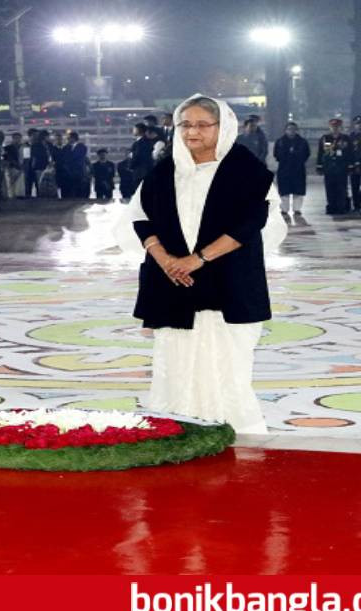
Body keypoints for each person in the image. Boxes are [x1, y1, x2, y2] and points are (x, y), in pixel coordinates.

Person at [115, 93, 286, 435]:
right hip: (173, 284)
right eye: (185, 125)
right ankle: (176, 432)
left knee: (227, 366)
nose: (192, 132)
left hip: (230, 285)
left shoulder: (246, 171)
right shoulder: (165, 171)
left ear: (222, 128)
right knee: (174, 364)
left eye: (202, 125)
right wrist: (166, 260)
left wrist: (198, 259)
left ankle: (235, 434)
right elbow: (140, 217)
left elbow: (250, 225)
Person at [316, 118, 352, 215]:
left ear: (341, 128)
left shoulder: (346, 139)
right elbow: (321, 153)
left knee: (341, 188)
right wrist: (319, 166)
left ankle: (341, 207)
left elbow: (350, 153)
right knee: (330, 188)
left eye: (337, 127)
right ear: (330, 127)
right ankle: (331, 206)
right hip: (329, 168)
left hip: (342, 167)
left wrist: (350, 165)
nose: (335, 129)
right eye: (333, 127)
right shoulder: (325, 138)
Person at [273, 122, 310, 216]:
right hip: (284, 169)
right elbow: (276, 154)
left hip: (298, 169)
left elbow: (306, 154)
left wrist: (297, 158)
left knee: (298, 190)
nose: (291, 131)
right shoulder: (280, 141)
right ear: (285, 130)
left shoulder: (302, 141)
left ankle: (297, 209)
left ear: (296, 130)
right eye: (289, 129)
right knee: (284, 191)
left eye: (293, 129)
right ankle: (284, 209)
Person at [348, 115, 361, 205]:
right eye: (357, 124)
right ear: (354, 125)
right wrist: (351, 164)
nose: (359, 126)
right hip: (354, 164)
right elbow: (349, 151)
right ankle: (356, 204)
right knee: (355, 186)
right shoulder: (351, 136)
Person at [3, 132, 24, 198]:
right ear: (13, 139)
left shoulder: (24, 147)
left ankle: (18, 195)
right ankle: (11, 196)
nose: (18, 140)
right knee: (10, 182)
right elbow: (5, 158)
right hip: (11, 167)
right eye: (16, 138)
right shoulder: (7, 148)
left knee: (19, 183)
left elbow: (26, 158)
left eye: (19, 138)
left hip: (21, 167)